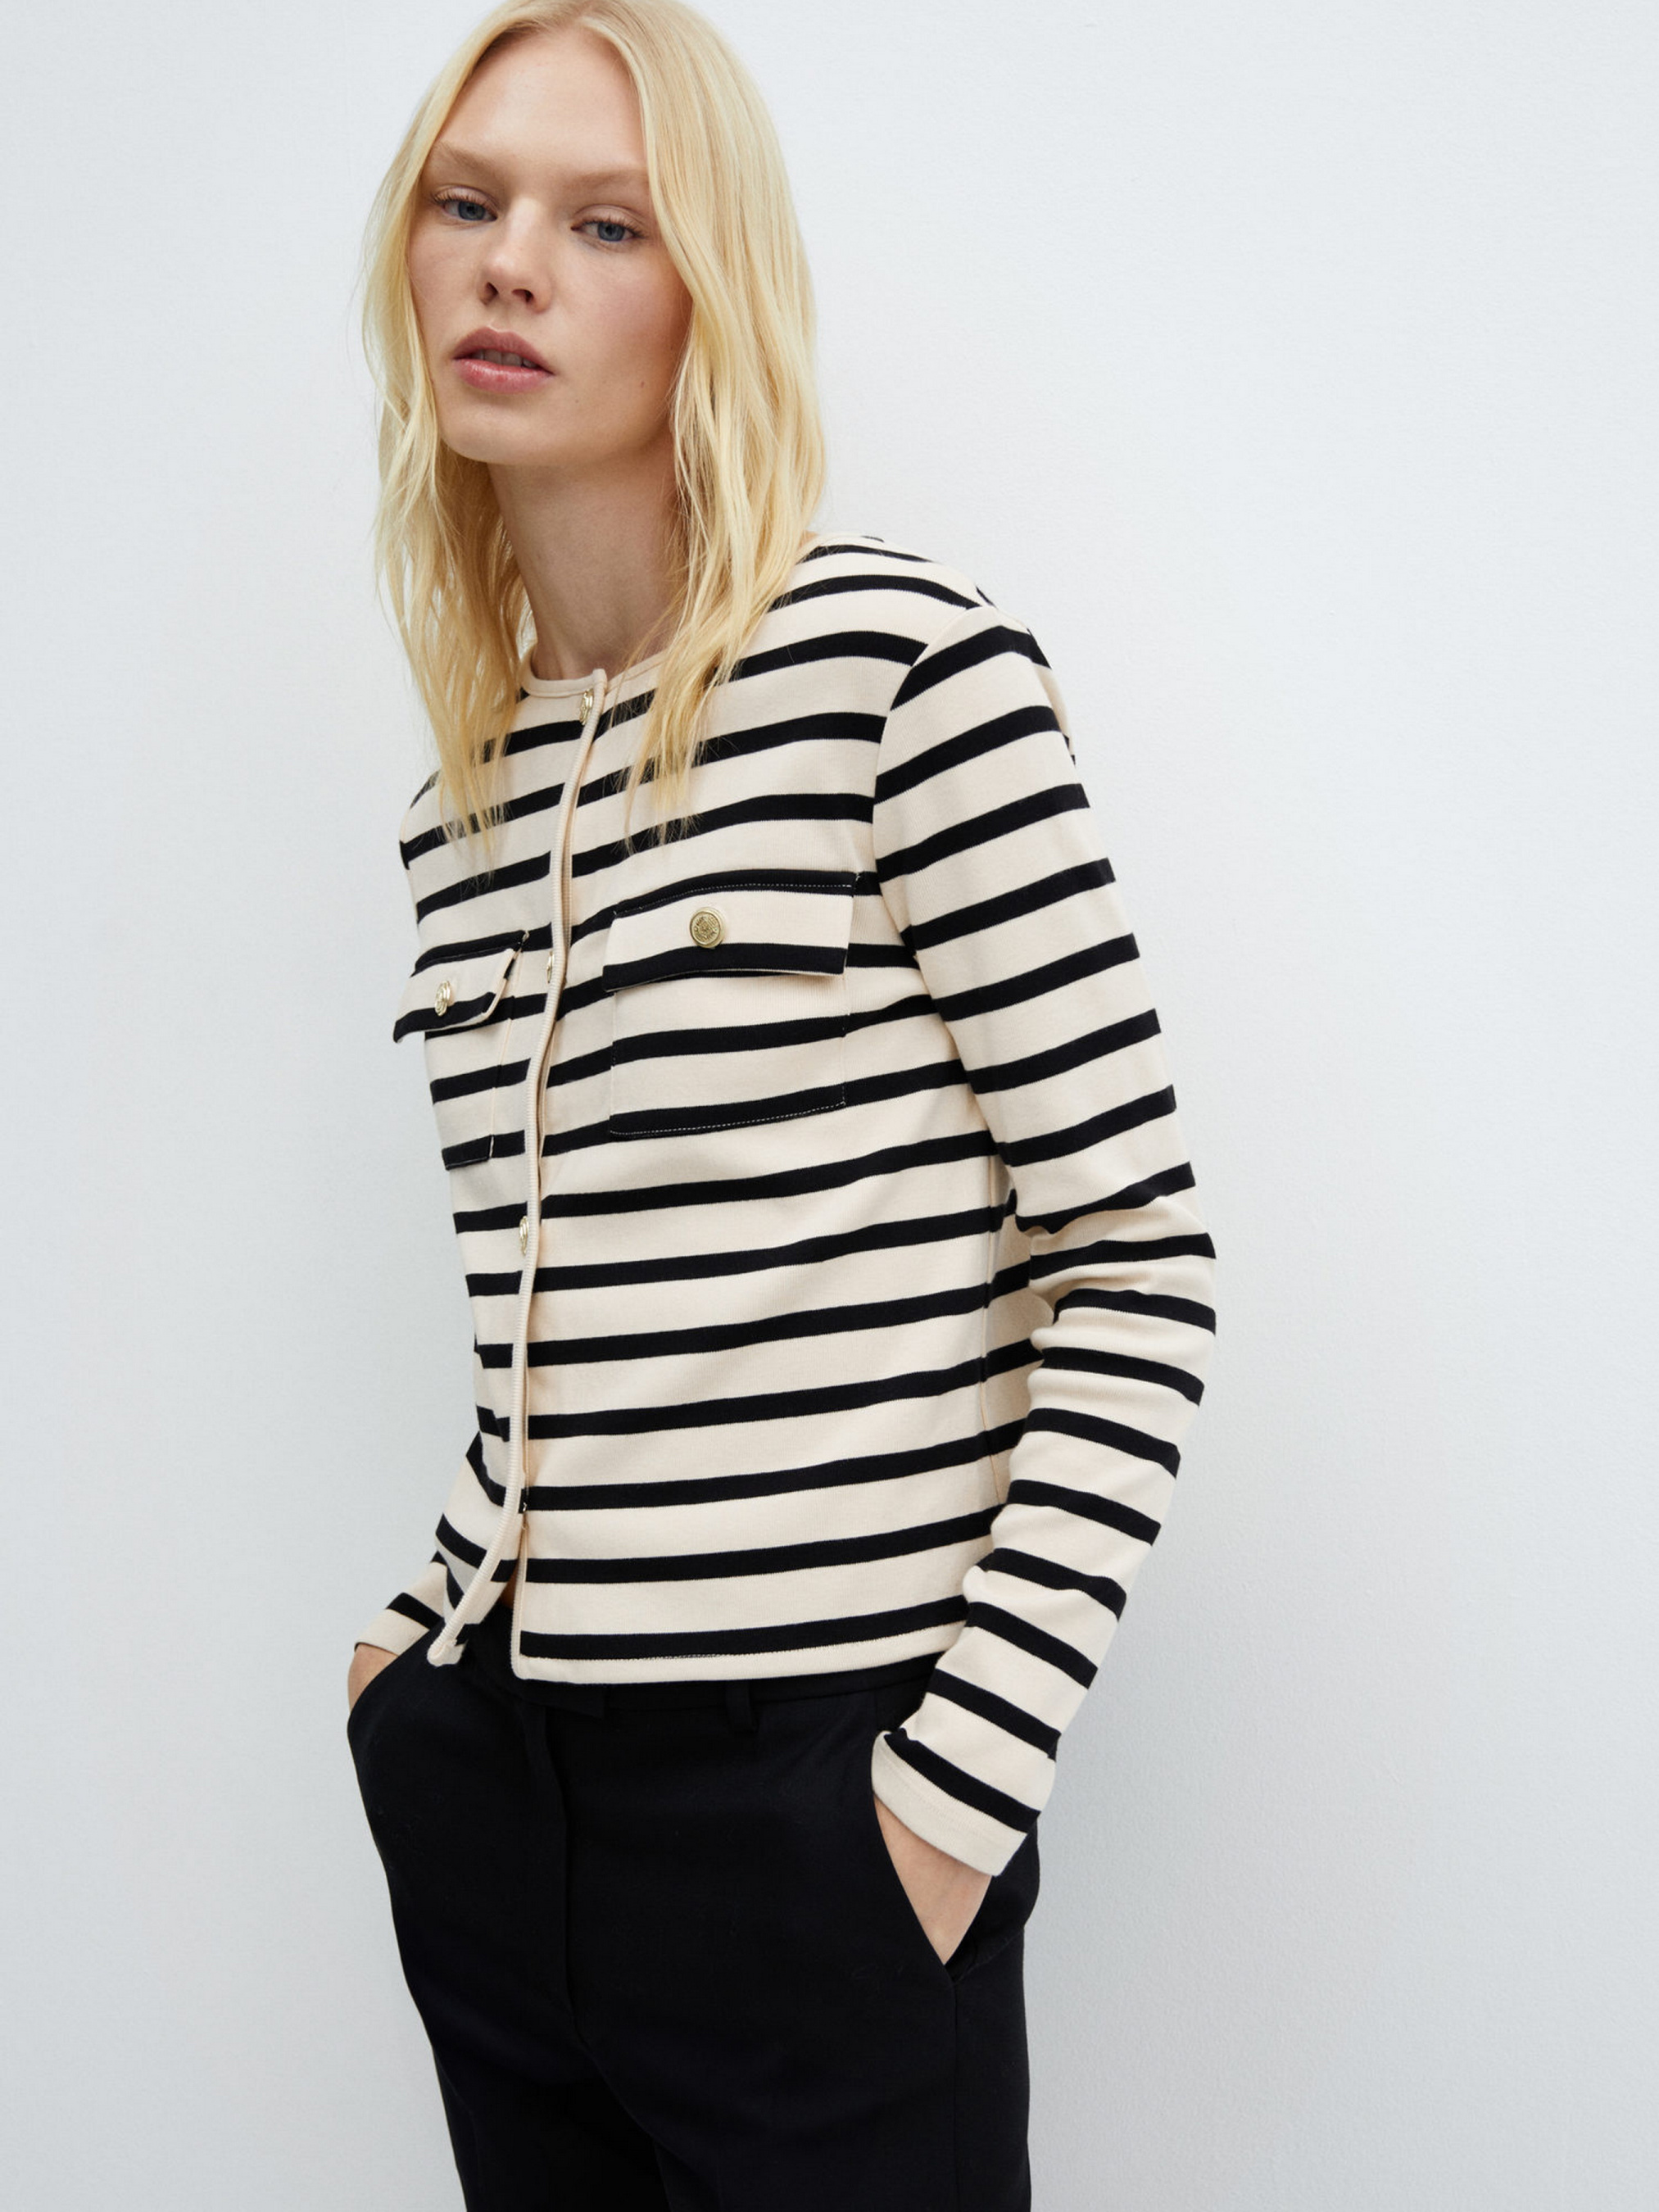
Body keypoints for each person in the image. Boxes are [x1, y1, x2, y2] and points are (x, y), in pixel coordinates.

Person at [343, 3, 1217, 2205]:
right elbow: (555, 1330)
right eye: (467, 202)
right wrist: (411, 1659)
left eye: (603, 222)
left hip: (816, 1814)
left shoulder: (906, 672)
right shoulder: (457, 811)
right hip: (500, 1797)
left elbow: (1136, 1268)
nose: (509, 262)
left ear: (710, 287)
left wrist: (945, 1800)